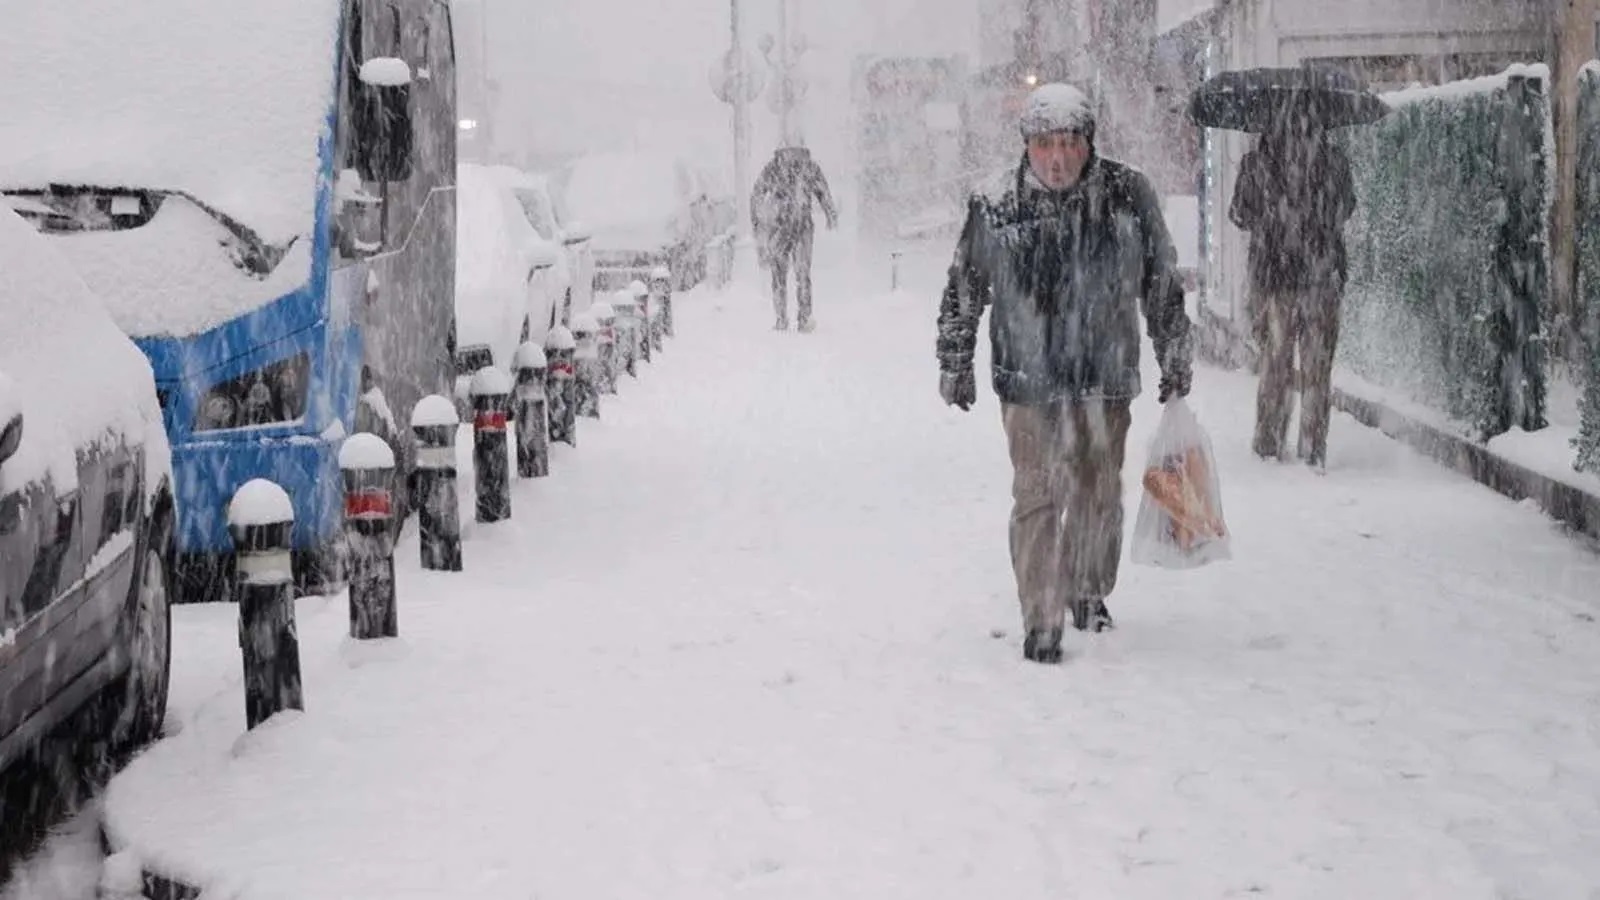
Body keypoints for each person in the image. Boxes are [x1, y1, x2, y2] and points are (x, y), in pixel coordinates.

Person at [936, 83, 1193, 664]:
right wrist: (955, 358)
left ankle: (1086, 590)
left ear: (1089, 144)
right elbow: (963, 287)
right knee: (1037, 496)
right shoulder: (995, 202)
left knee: (1098, 493)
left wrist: (1174, 350)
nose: (1058, 158)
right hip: (1027, 379)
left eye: (1070, 143)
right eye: (1046, 144)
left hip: (1104, 374)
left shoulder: (1128, 195)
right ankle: (1042, 616)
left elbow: (1162, 281)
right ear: (1027, 145)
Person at [1229, 112, 1356, 469]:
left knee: (1275, 365)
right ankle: (1313, 448)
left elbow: (1238, 214)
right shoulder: (1333, 161)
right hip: (1322, 278)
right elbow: (1346, 209)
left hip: (1274, 280)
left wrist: (1271, 221)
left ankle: (1269, 443)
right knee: (1317, 370)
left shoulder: (1257, 162)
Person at [751, 143, 838, 332]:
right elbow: (822, 191)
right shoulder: (808, 166)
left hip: (782, 227)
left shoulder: (774, 167)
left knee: (781, 275)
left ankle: (783, 319)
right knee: (801, 274)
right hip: (799, 226)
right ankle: (803, 318)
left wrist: (759, 221)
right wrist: (830, 213)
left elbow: (757, 194)